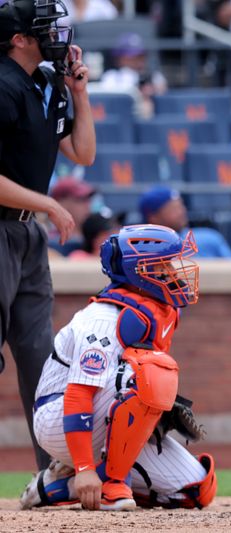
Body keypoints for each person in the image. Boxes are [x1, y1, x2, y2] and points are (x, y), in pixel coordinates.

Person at [19, 224, 217, 511]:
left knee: (195, 489)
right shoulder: (102, 318)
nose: (174, 272)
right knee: (150, 373)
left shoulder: (154, 310)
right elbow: (78, 394)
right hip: (58, 416)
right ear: (138, 272)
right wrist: (86, 466)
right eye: (162, 266)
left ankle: (59, 487)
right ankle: (107, 480)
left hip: (102, 414)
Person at [0, 0, 95, 470]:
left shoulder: (46, 83)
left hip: (27, 236)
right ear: (18, 39)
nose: (58, 37)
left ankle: (52, 471)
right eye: (45, 30)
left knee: (41, 356)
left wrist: (80, 94)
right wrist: (49, 203)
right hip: (1, 229)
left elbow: (83, 153)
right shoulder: (1, 84)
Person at [139, 186, 231, 258]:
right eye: (173, 209)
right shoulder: (142, 249)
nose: (181, 212)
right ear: (153, 217)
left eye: (181, 206)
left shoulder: (210, 238)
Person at [95, 32, 168, 119]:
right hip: (122, 118)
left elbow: (164, 93)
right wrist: (136, 91)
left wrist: (152, 91)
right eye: (133, 56)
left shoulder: (154, 76)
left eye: (141, 56)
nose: (139, 60)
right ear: (120, 58)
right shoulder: (111, 76)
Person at [47, 177, 96, 256]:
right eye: (81, 199)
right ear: (60, 202)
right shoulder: (46, 241)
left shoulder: (97, 239)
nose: (87, 205)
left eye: (88, 199)